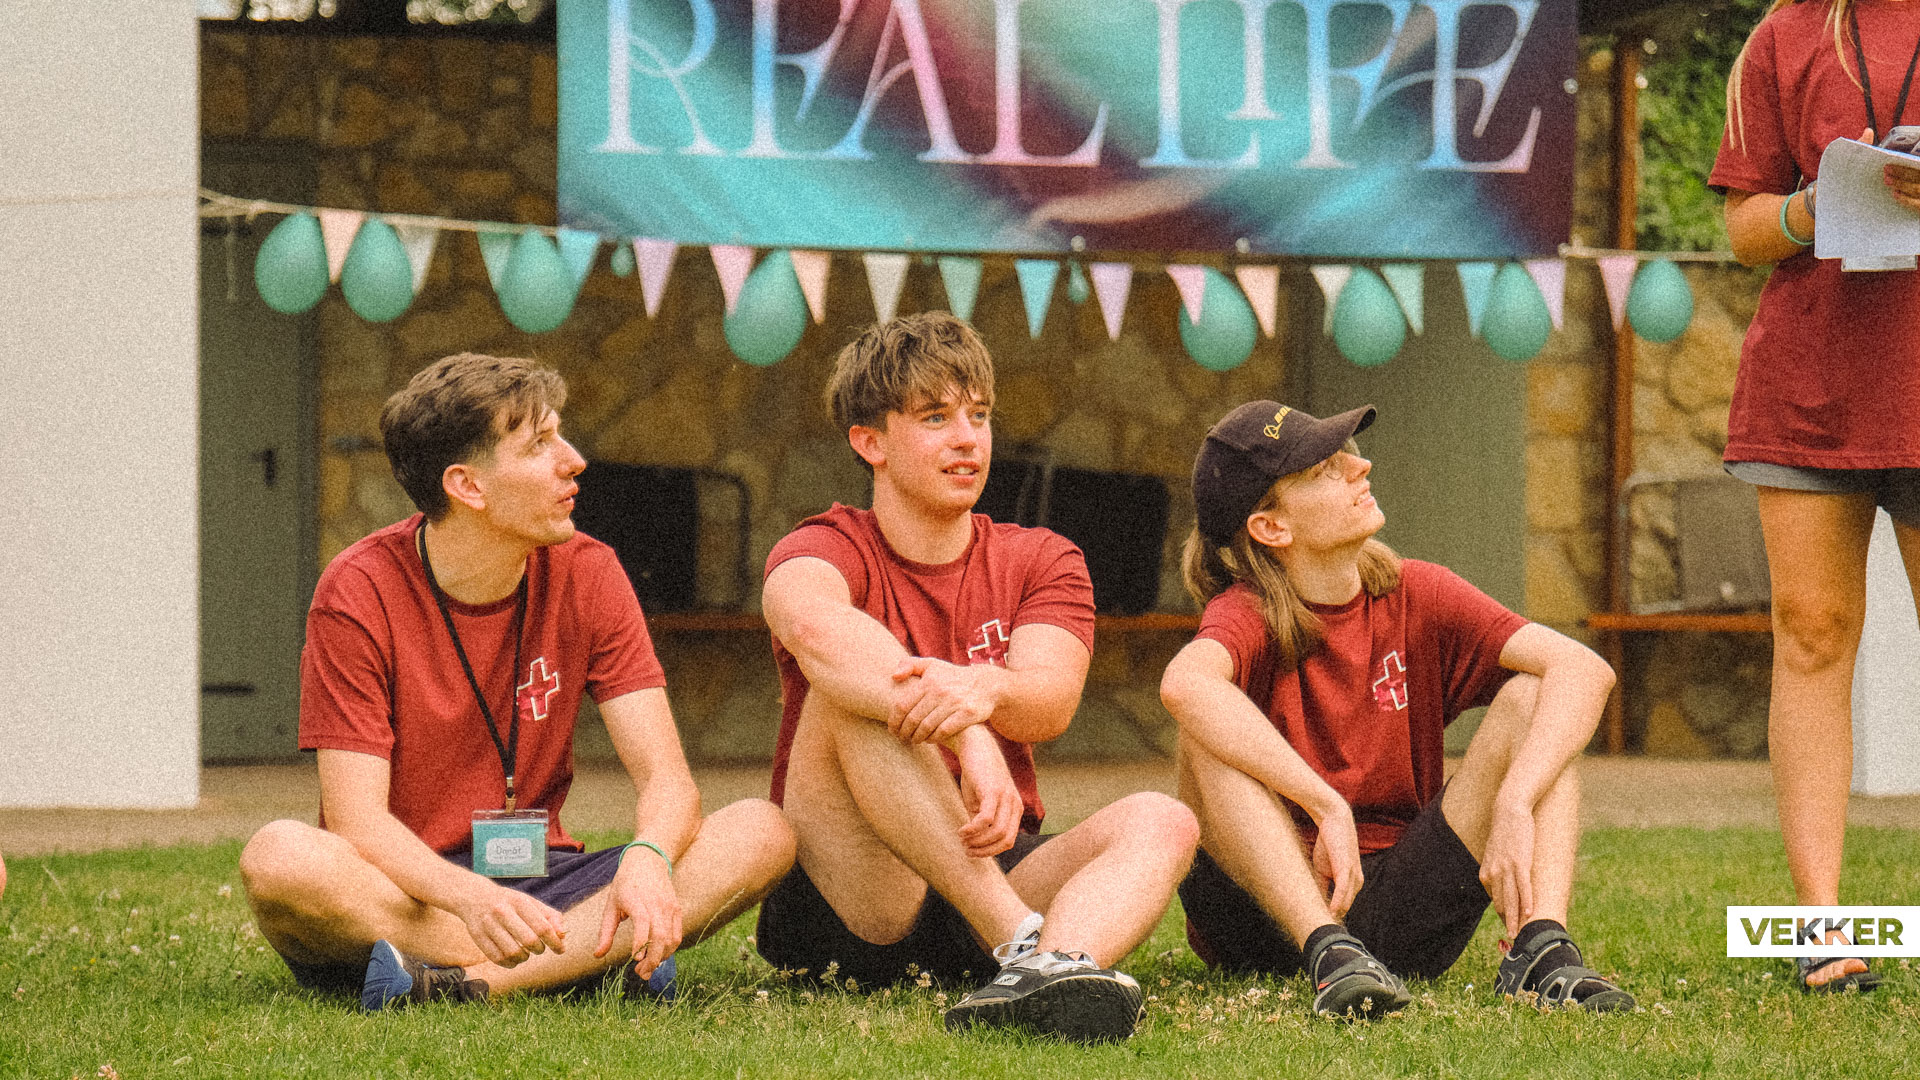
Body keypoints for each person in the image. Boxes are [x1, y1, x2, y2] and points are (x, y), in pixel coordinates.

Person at [238, 353, 794, 1010]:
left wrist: (648, 857)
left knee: (762, 831)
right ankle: (590, 960)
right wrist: (470, 898)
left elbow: (667, 780)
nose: (573, 461)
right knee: (280, 858)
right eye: (539, 445)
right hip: (410, 892)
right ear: (467, 486)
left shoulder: (591, 571)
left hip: (544, 878)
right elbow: (359, 822)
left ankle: (462, 984)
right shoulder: (358, 590)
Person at [754, 312, 1199, 1043]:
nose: (968, 438)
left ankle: (1048, 973)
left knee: (1163, 818)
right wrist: (967, 729)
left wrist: (985, 690)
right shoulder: (822, 546)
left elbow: (1049, 701)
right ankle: (1025, 947)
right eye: (936, 417)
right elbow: (813, 629)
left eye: (980, 415)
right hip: (863, 890)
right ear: (870, 443)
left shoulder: (1042, 557)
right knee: (845, 696)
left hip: (989, 856)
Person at [1159, 401, 1634, 1018]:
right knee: (1200, 735)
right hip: (1268, 921)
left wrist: (1515, 802)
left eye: (1348, 456)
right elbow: (1184, 685)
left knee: (1537, 697)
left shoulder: (1418, 591)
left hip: (1403, 905)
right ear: (1271, 528)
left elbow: (1585, 669)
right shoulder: (1245, 613)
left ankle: (1542, 950)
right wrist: (1324, 803)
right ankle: (1328, 952)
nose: (1361, 468)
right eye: (1324, 469)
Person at [1714, 0, 1920, 993]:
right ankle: (1821, 926)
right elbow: (1744, 230)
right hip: (1809, 384)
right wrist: (1816, 205)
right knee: (1811, 634)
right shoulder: (1783, 35)